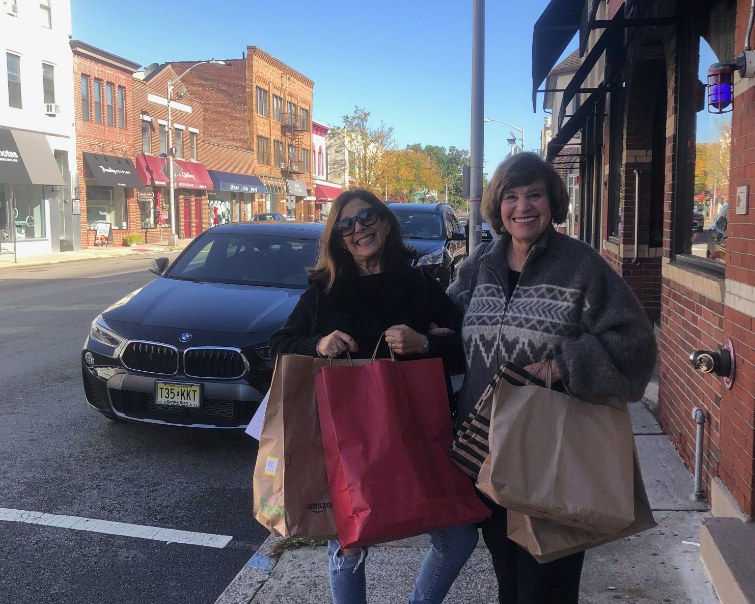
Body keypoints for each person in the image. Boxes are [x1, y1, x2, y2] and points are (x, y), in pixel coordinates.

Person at [447, 153, 658, 604]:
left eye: (534, 195)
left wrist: (563, 365)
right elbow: (448, 327)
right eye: (511, 196)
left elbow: (635, 343)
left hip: (552, 452)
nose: (522, 207)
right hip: (487, 451)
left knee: (548, 588)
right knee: (507, 580)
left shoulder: (581, 266)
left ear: (552, 201)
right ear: (497, 205)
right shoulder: (479, 265)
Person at [269, 189, 478, 604]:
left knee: (459, 535)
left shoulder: (420, 284)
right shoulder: (325, 290)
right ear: (338, 238)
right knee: (349, 540)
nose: (358, 229)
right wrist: (318, 344)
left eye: (366, 217)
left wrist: (424, 344)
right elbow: (279, 345)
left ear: (385, 221)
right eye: (345, 224)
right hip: (349, 435)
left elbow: (468, 348)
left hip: (419, 427)